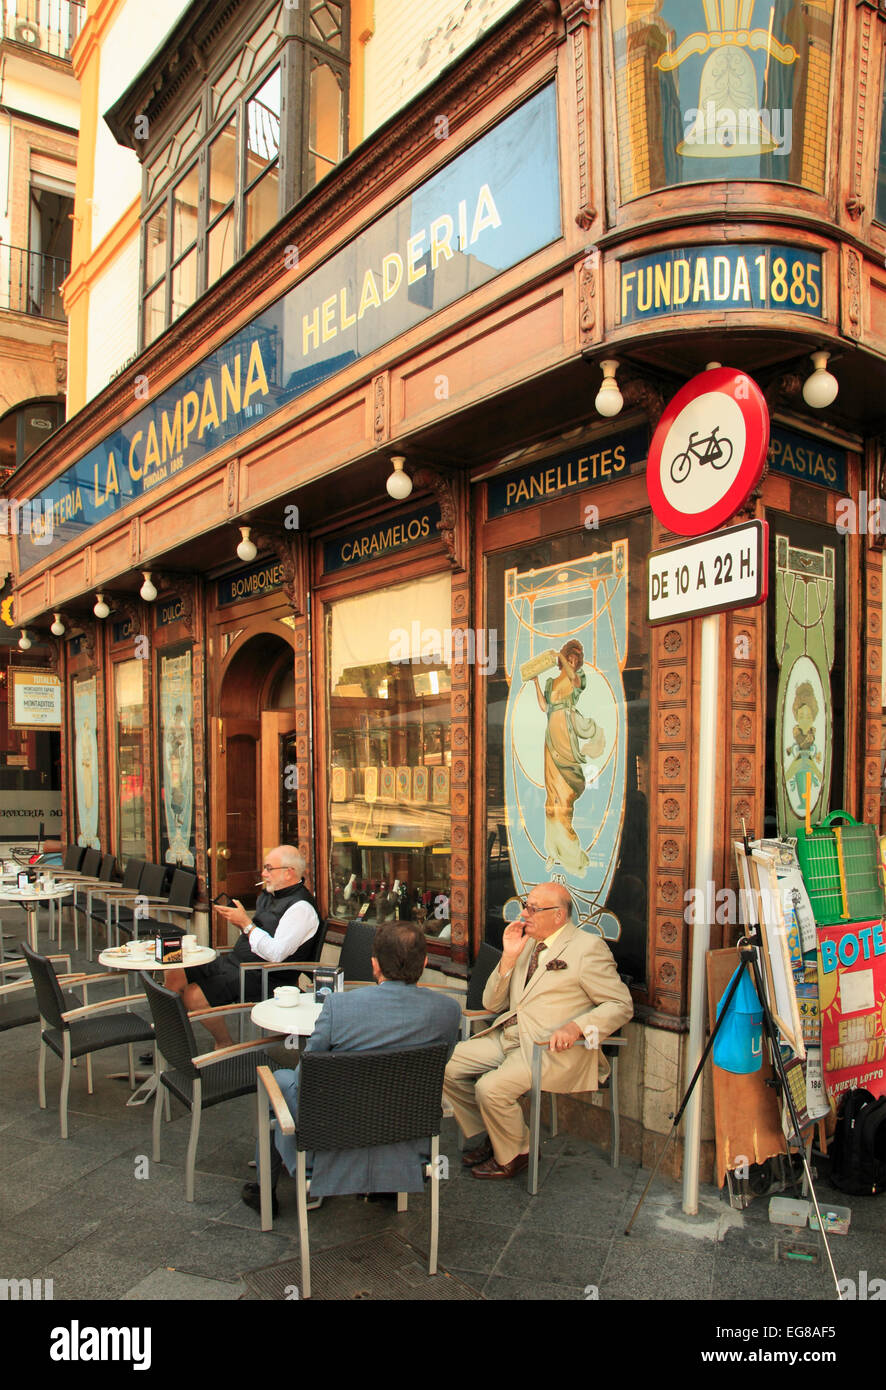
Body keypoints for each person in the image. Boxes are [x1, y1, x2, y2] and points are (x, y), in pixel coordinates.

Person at [241, 920, 461, 1214]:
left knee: (278, 1081)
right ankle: (385, 1183)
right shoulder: (448, 1011)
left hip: (332, 1141)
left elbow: (308, 1079)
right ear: (423, 962)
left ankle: (263, 1192)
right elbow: (433, 1070)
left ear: (374, 965)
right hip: (405, 1137)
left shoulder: (339, 1008)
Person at [443, 881, 632, 1179]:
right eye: (524, 905)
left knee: (489, 1089)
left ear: (558, 915)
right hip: (510, 1035)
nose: (524, 914)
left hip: (549, 1049)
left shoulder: (588, 948)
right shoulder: (526, 942)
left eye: (533, 908)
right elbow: (491, 1002)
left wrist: (577, 1027)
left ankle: (516, 1152)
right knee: (446, 1065)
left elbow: (620, 1005)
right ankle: (500, 1136)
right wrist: (508, 957)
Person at [164, 845, 319, 1049]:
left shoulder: (301, 908)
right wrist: (240, 922)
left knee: (194, 994)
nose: (263, 873)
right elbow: (254, 933)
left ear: (289, 872)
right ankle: (172, 1041)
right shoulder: (268, 895)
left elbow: (277, 954)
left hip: (263, 976)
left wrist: (246, 923)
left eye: (269, 868)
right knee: (174, 969)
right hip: (237, 963)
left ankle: (224, 1044)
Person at [533, 640, 604, 874]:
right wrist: (534, 681)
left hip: (566, 732)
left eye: (575, 659)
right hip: (551, 735)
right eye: (569, 657)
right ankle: (553, 850)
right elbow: (544, 707)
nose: (572, 662)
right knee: (551, 797)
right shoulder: (550, 682)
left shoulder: (578, 677)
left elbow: (574, 679)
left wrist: (562, 660)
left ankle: (571, 853)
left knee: (564, 797)